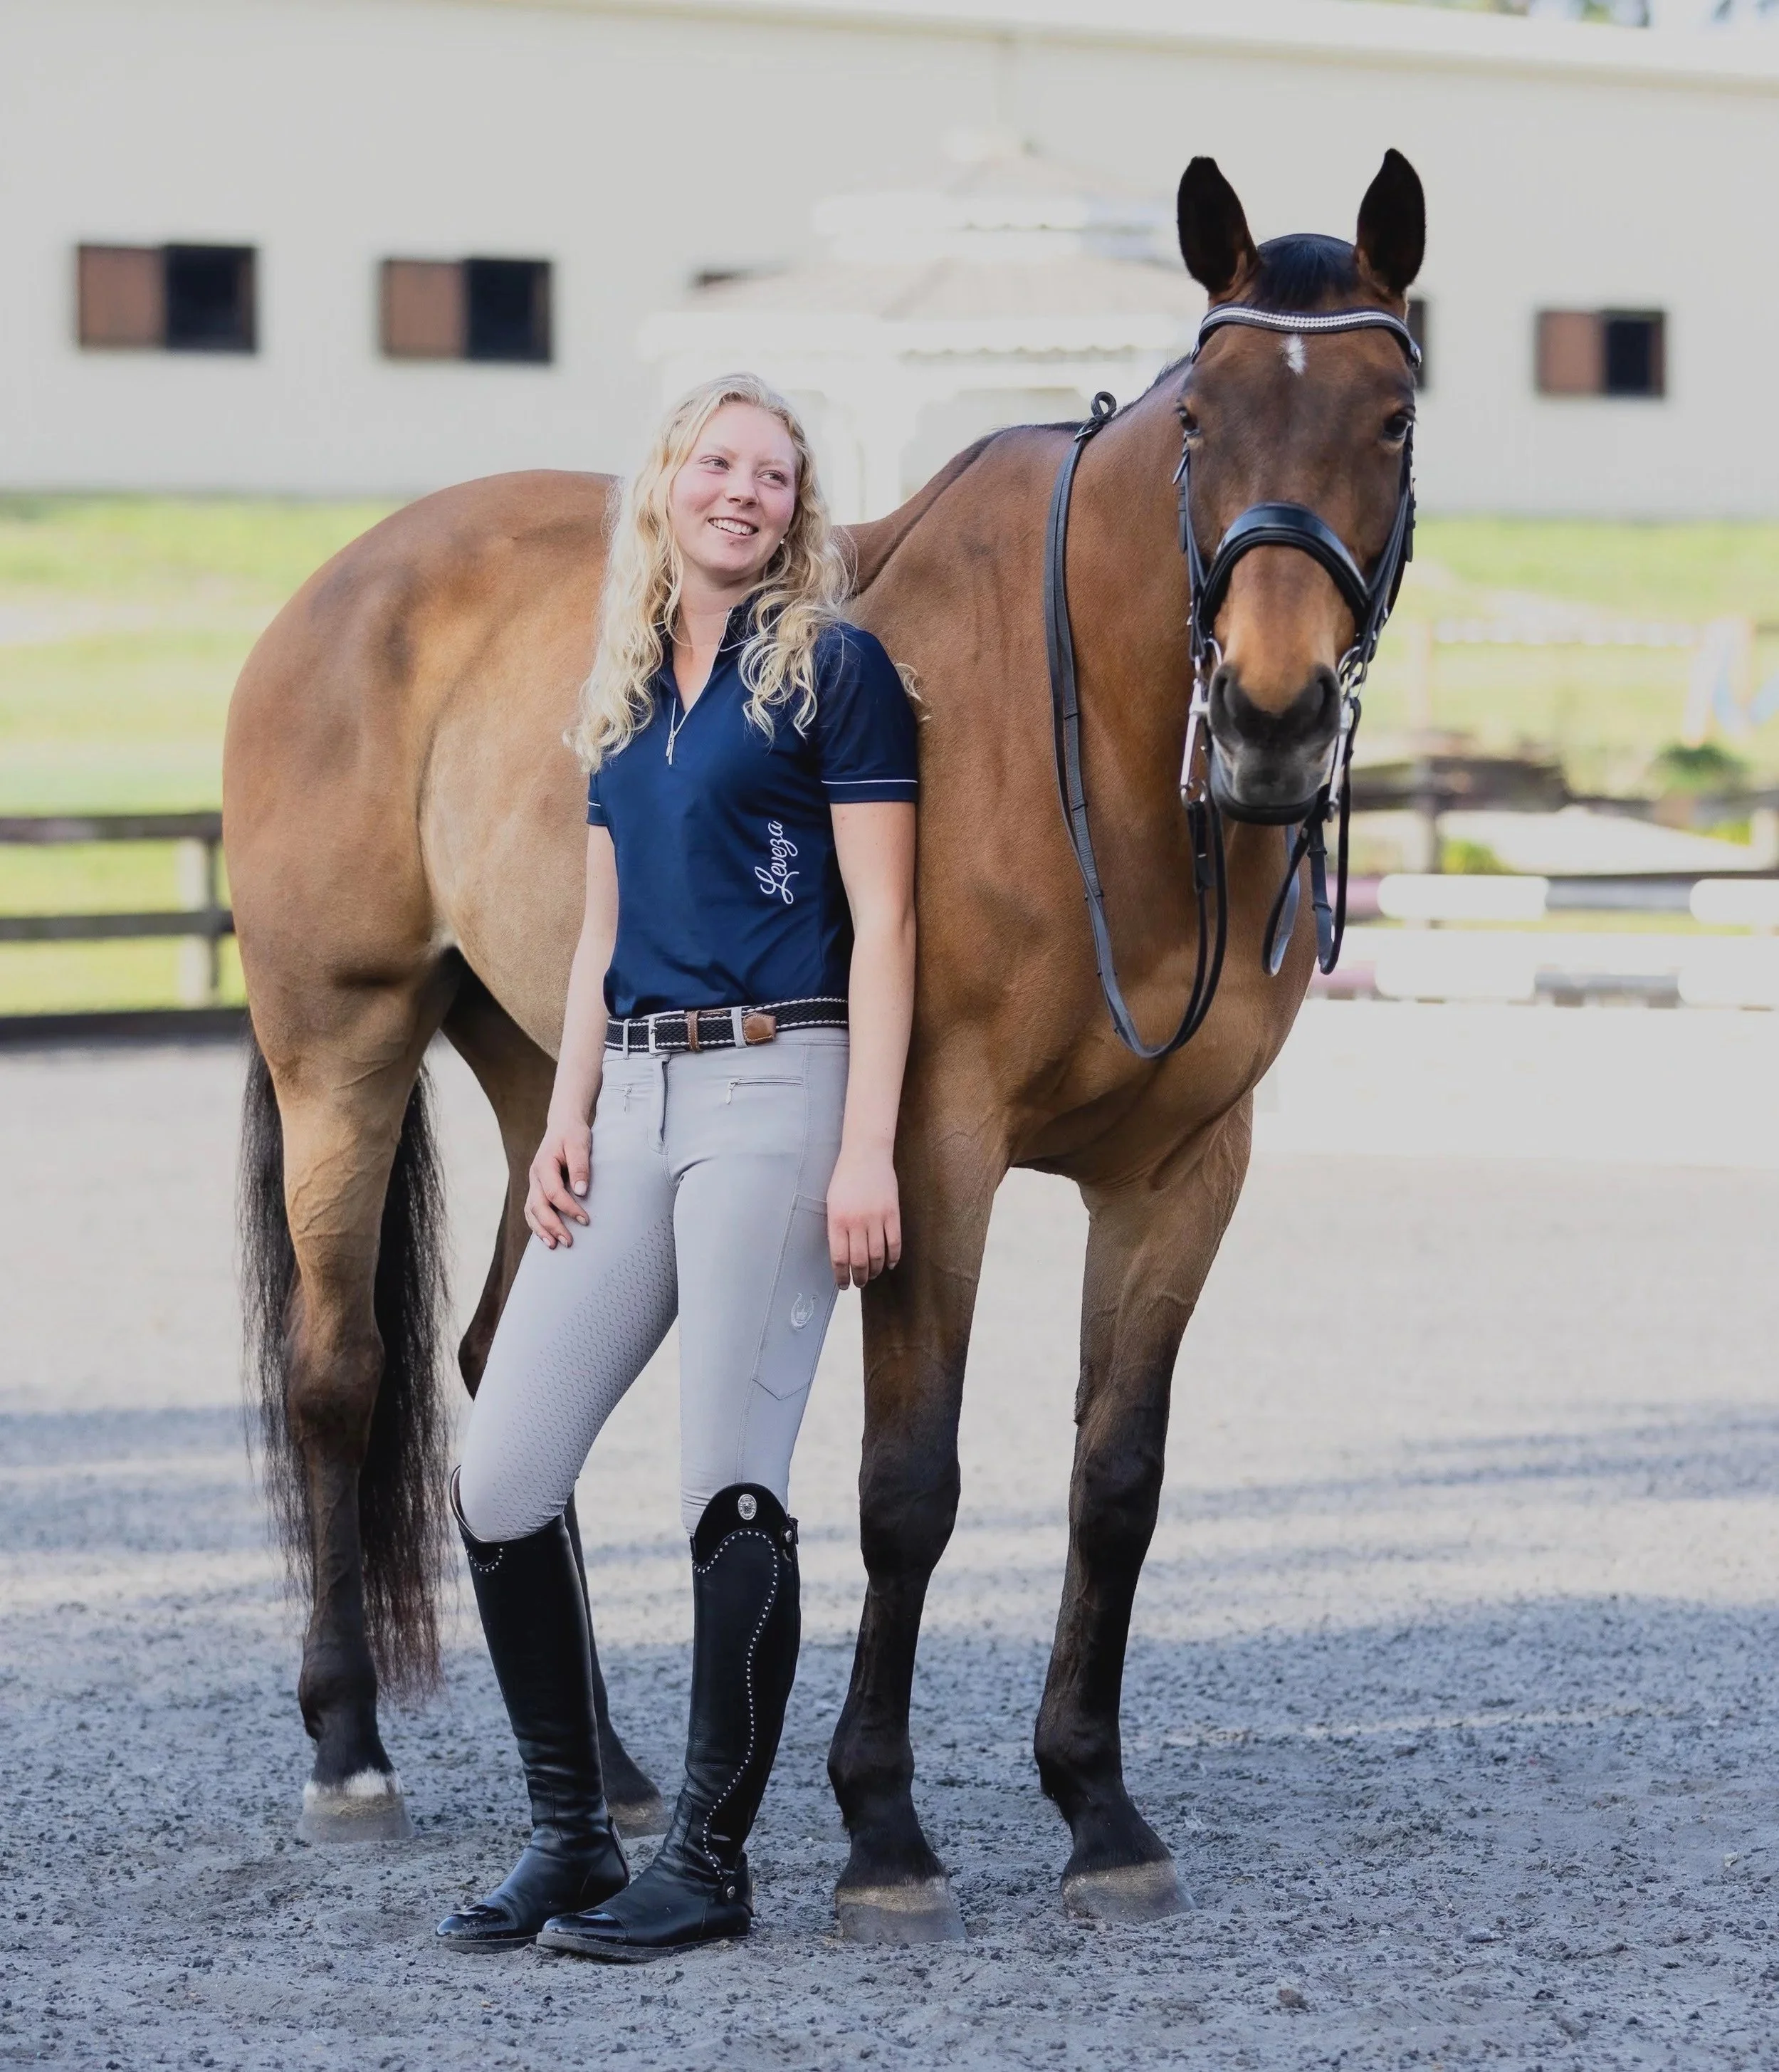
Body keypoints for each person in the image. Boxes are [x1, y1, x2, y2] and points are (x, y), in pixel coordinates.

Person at [435, 373, 918, 1962]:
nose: (745, 492)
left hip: (780, 1089)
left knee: (730, 1485)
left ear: (798, 514)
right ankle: (573, 1836)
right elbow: (595, 935)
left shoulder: (835, 673)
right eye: (719, 463)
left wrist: (865, 1147)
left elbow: (889, 923)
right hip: (629, 1100)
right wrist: (562, 1118)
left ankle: (707, 1864)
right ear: (666, 482)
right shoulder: (628, 683)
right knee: (501, 1479)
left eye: (776, 476)